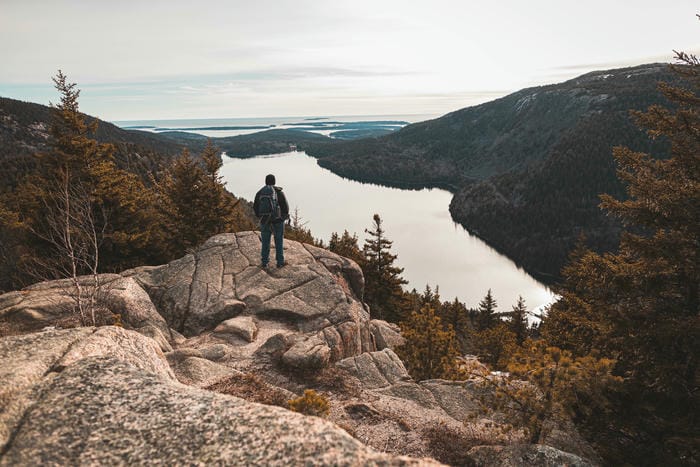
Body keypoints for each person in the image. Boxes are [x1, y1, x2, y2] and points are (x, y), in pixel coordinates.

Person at [253, 174, 290, 268]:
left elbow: (255, 207)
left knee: (265, 242)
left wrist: (262, 217)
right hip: (277, 221)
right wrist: (282, 218)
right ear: (274, 181)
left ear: (265, 181)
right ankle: (280, 262)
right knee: (279, 241)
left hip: (265, 221)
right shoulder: (279, 192)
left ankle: (265, 262)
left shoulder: (260, 192)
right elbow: (285, 208)